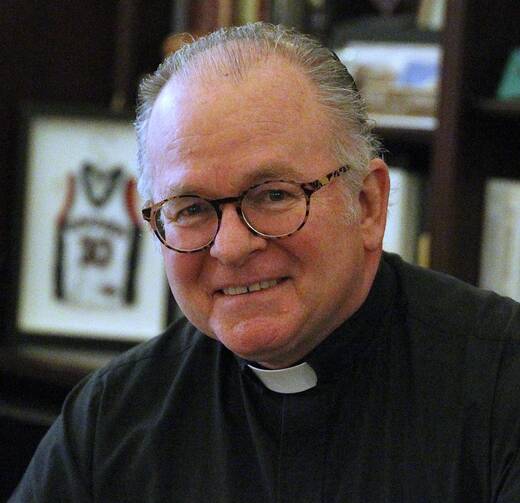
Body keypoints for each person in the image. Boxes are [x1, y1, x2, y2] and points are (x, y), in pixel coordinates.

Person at [10, 23, 520, 503]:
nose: (230, 247)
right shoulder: (112, 417)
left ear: (367, 204)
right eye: (190, 209)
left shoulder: (502, 383)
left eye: (273, 195)